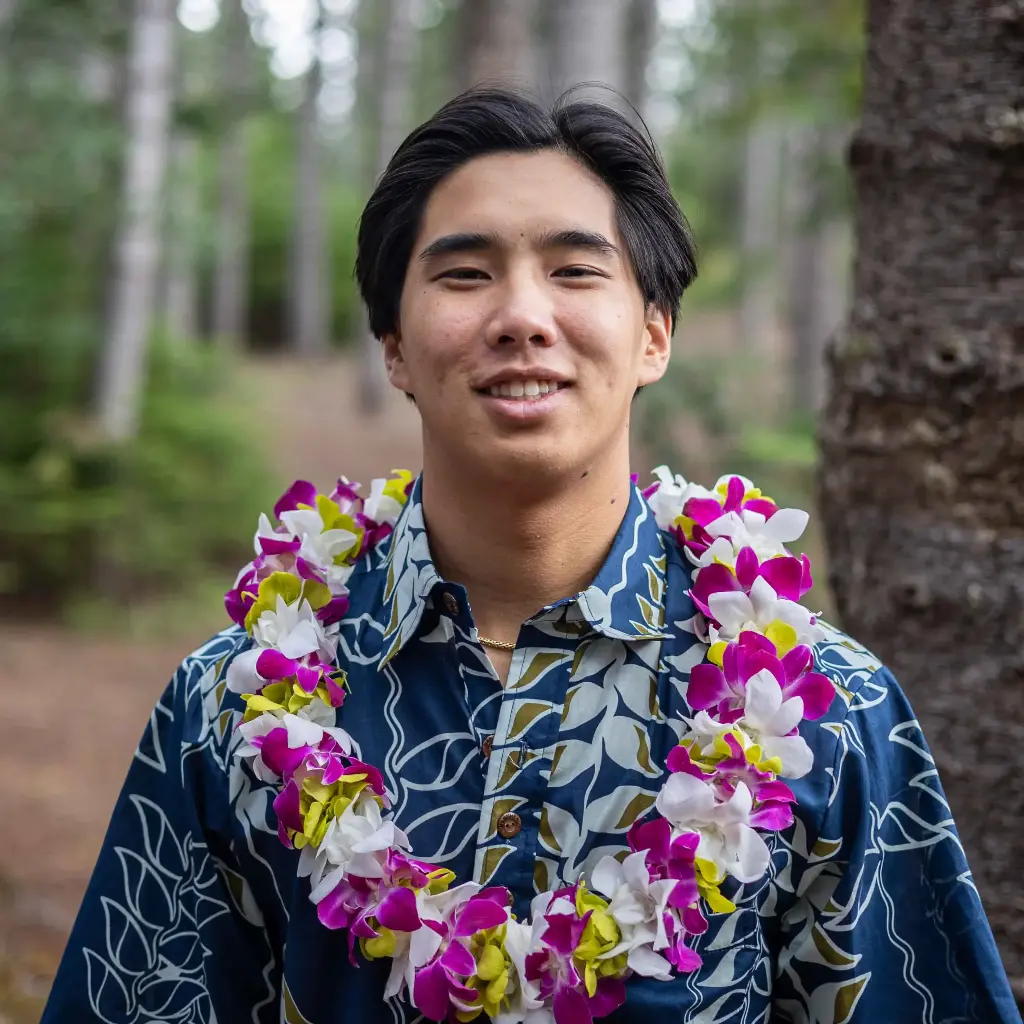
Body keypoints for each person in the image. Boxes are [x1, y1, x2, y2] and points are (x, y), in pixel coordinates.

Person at [41, 88, 1019, 1024]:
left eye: (575, 269)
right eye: (464, 274)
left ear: (652, 335)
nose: (520, 315)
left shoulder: (822, 714)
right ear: (393, 346)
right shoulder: (234, 711)